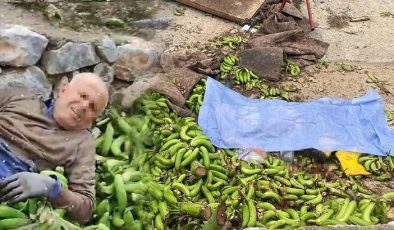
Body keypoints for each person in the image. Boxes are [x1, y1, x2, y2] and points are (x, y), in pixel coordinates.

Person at [0, 72, 109, 224]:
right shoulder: (21, 97)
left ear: (92, 120)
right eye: (83, 95)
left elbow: (85, 209)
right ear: (64, 90)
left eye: (92, 107)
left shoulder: (82, 143)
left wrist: (51, 188)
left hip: (9, 183)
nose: (84, 106)